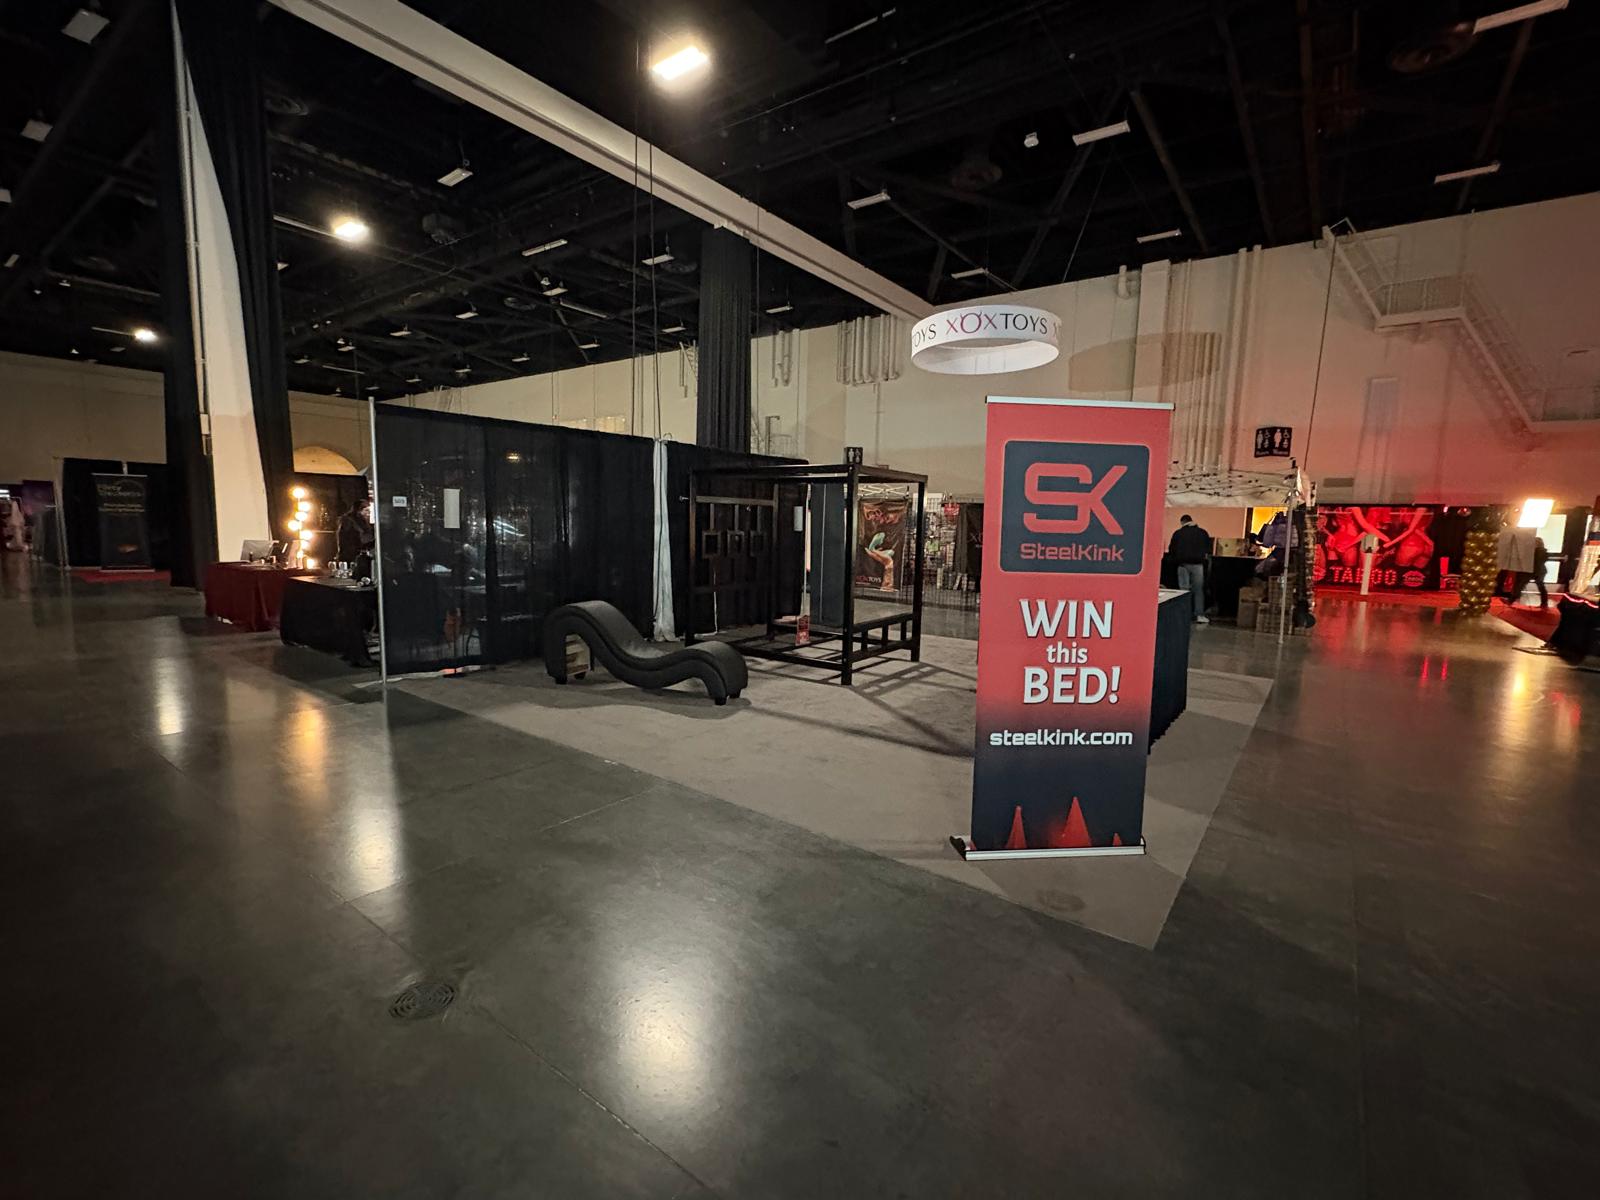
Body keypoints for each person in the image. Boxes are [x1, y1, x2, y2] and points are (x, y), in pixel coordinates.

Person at [1168, 514, 1211, 624]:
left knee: (1183, 591)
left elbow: (1172, 549)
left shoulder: (1178, 533)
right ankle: (1199, 615)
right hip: (1198, 565)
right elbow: (1208, 549)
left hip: (1182, 565)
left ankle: (1184, 614)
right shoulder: (1203, 533)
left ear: (1182, 522)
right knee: (1198, 590)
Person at [335, 496, 373, 565]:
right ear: (359, 511)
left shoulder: (361, 522)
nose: (368, 513)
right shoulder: (350, 522)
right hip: (352, 556)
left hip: (355, 555)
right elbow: (359, 540)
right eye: (366, 510)